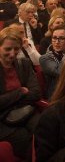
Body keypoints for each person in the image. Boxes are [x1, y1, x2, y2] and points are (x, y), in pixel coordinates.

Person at [0, 27, 41, 160]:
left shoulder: (24, 64)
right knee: (23, 139)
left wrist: (8, 100)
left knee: (44, 129)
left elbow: (36, 93)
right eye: (7, 49)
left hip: (26, 111)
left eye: (16, 49)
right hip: (2, 119)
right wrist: (20, 91)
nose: (12, 54)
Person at [39, 24, 65, 99]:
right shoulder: (45, 58)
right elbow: (61, 72)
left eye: (61, 38)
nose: (57, 42)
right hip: (57, 96)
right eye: (54, 38)